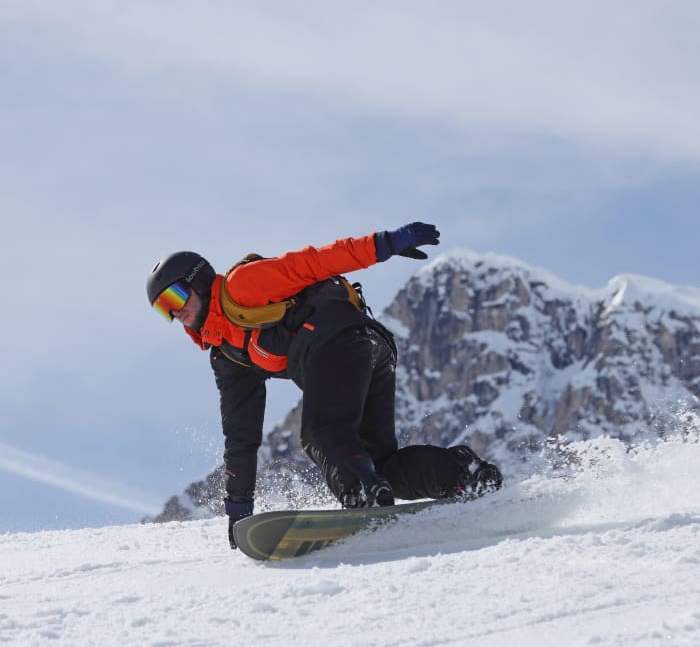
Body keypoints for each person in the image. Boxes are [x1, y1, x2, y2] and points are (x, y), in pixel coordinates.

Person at [147, 222, 503, 548]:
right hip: (363, 352)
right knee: (379, 464)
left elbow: (316, 263)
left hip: (340, 339)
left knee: (321, 434)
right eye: (164, 308)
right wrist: (239, 506)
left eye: (175, 297)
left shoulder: (241, 286)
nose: (174, 312)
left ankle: (363, 497)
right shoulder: (227, 357)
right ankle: (463, 474)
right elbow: (241, 434)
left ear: (198, 281)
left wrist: (385, 244)